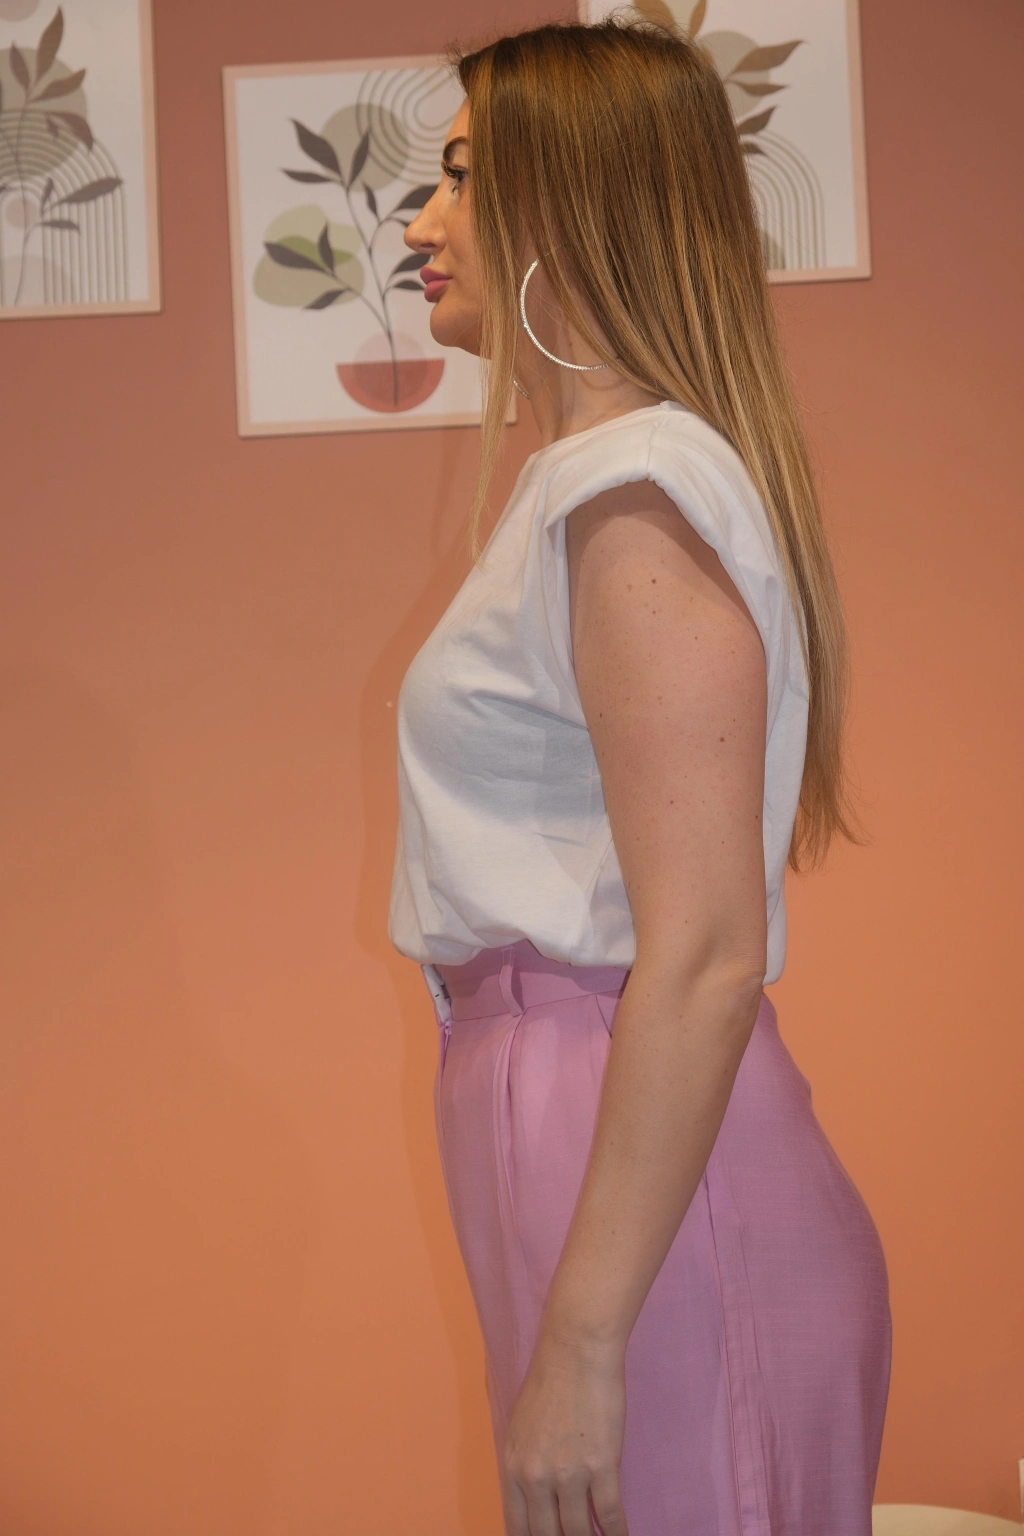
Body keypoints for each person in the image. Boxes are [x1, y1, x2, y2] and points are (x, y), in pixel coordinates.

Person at [390, 19, 891, 1536]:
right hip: (588, 1124)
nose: (420, 221)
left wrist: (587, 1340)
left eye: (461, 176)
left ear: (568, 199)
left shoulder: (630, 494)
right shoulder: (588, 485)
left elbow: (709, 951)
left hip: (636, 1145)